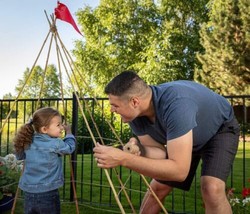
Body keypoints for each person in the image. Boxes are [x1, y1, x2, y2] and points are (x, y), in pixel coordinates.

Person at [93, 70, 240, 214]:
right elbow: (160, 153)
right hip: (184, 137)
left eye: (115, 105)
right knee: (156, 189)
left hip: (219, 129)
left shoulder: (176, 104)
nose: (112, 110)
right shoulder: (135, 115)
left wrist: (124, 159)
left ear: (135, 101)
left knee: (211, 189)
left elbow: (179, 171)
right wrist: (139, 150)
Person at [13, 107, 76, 214]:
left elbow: (19, 156)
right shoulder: (56, 143)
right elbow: (70, 147)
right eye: (58, 125)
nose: (61, 128)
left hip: (29, 192)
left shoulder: (28, 141)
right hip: (48, 193)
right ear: (44, 129)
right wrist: (69, 132)